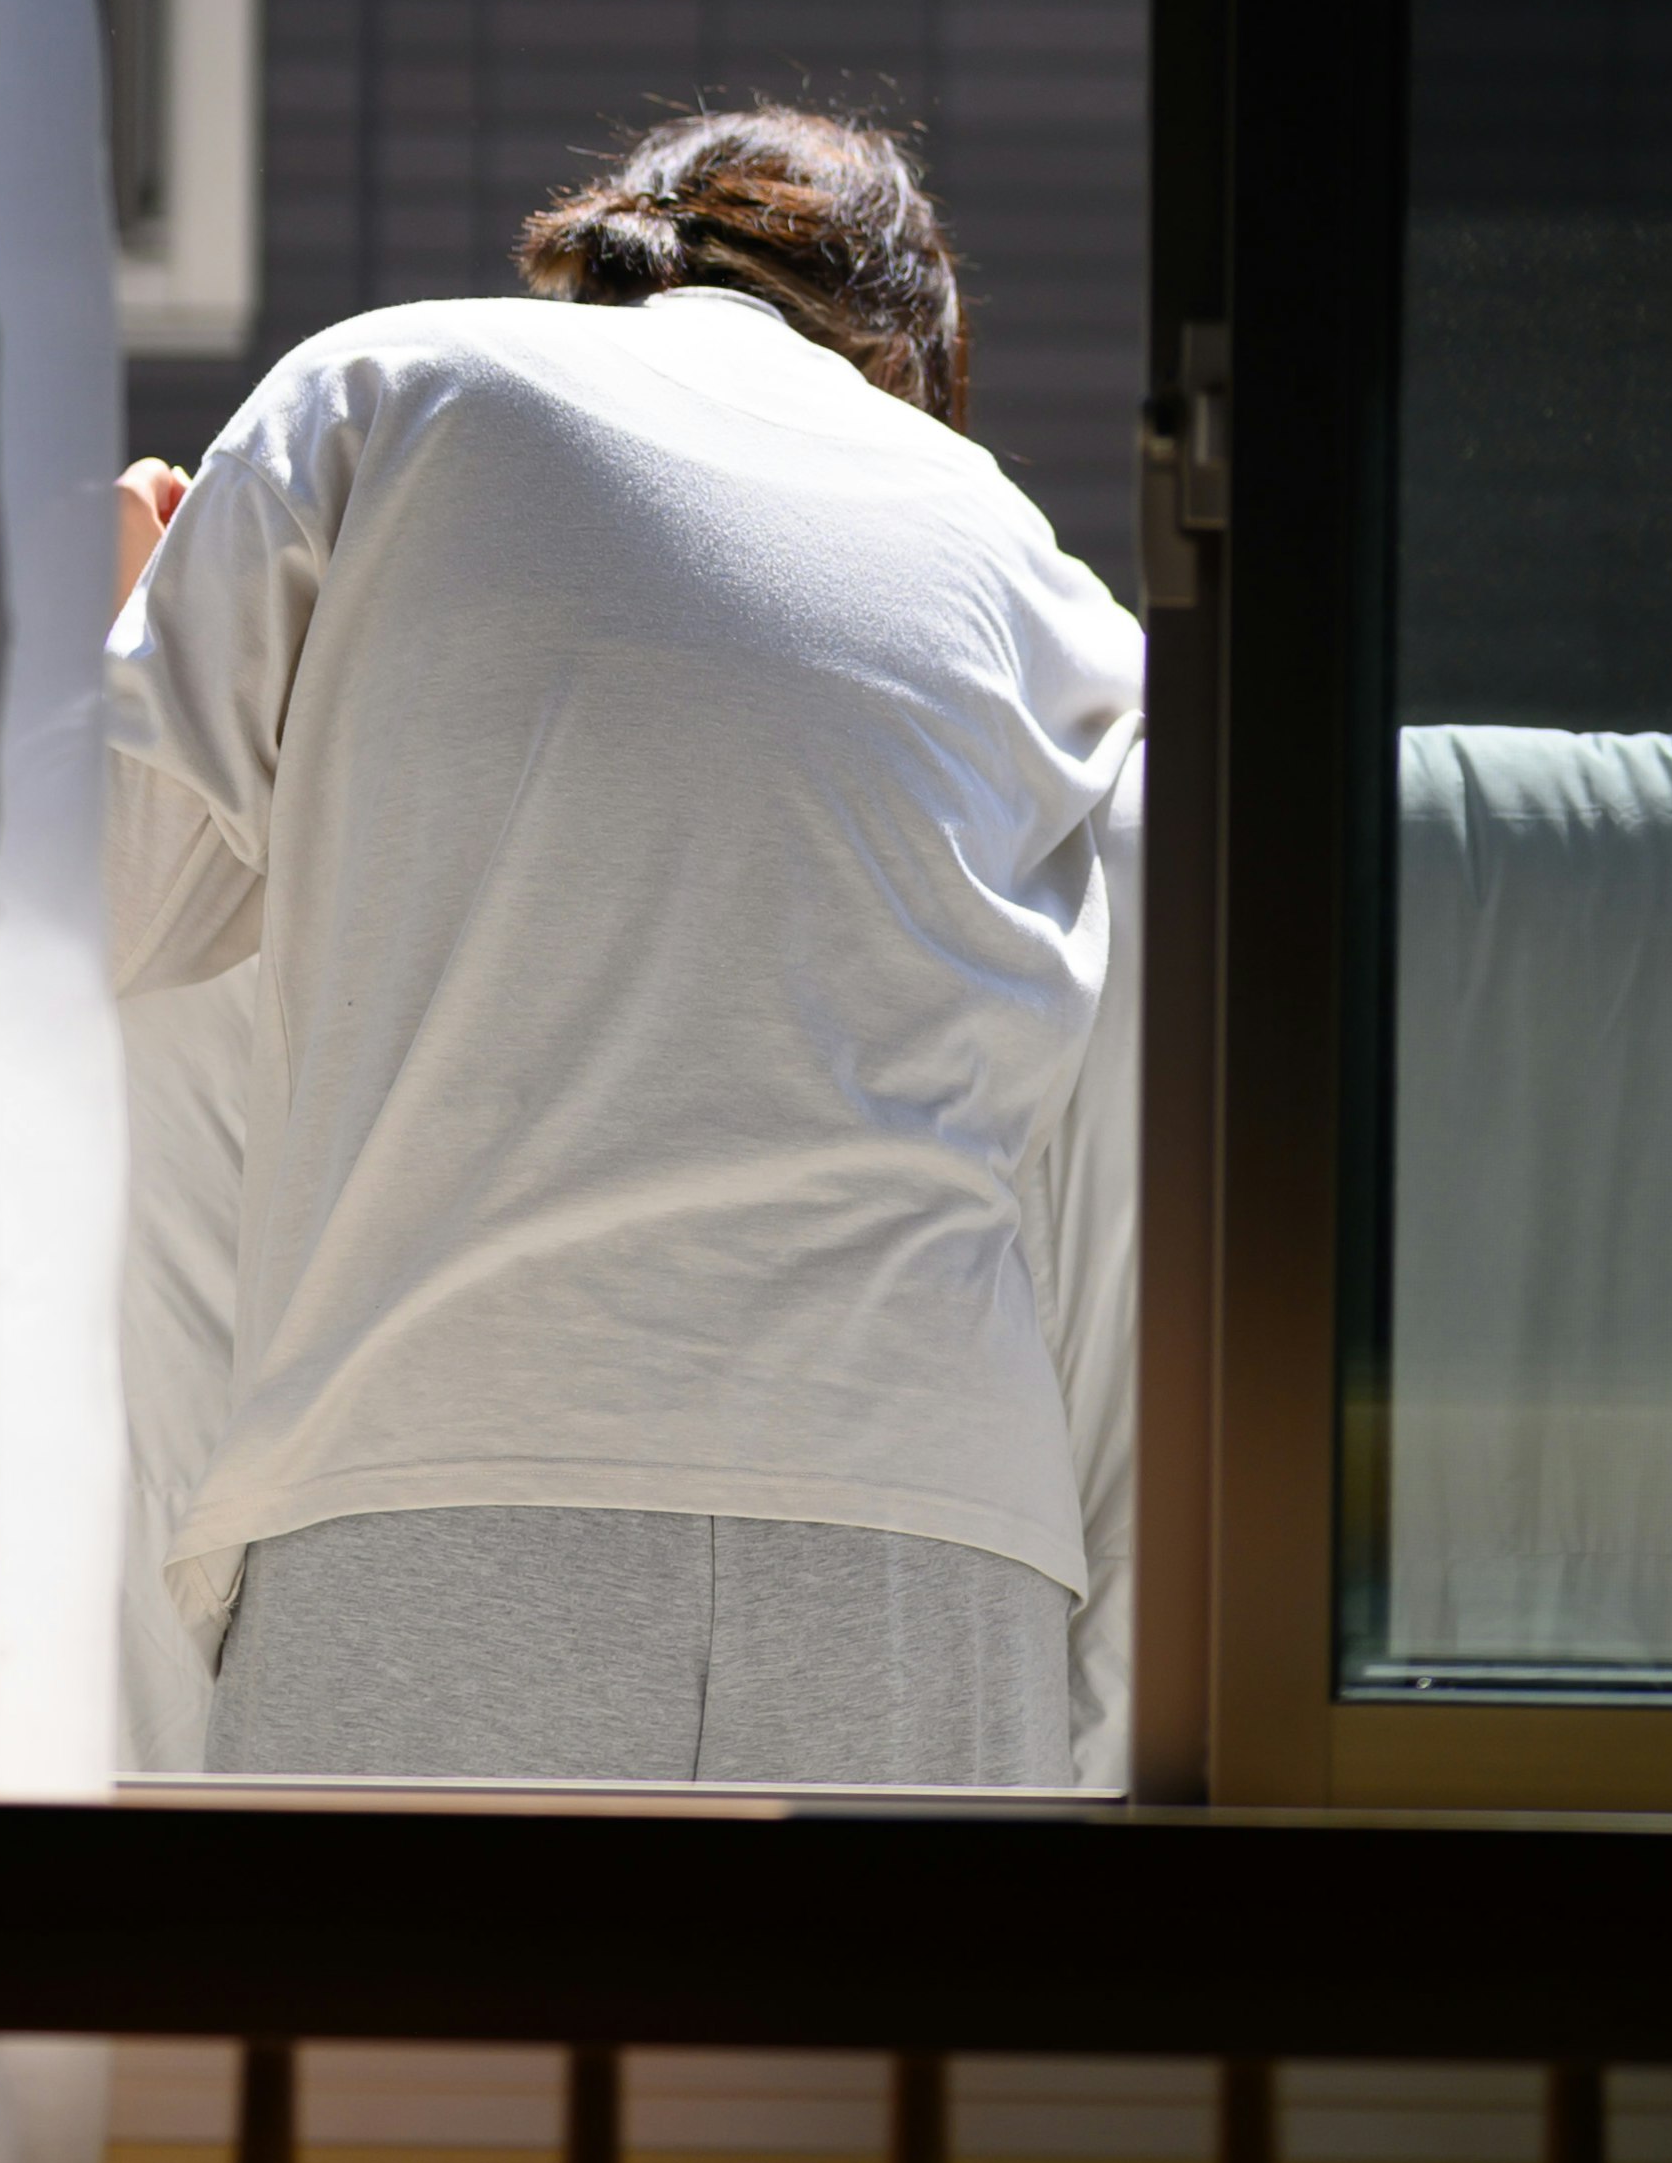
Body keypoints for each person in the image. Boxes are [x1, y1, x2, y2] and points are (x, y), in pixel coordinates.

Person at [102, 110, 1145, 1789]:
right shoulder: (1026, 558)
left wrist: (115, 627)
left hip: (437, 1474)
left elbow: (103, 903)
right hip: (923, 1524)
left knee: (411, 2060)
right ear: (909, 354)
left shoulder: (386, 391)